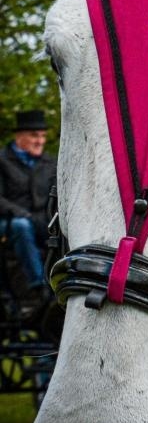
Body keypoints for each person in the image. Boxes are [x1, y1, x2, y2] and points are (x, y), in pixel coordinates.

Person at [0, 108, 56, 312]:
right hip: (10, 222)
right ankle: (37, 285)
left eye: (42, 136)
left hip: (41, 220)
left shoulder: (50, 163)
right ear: (19, 136)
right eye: (34, 135)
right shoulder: (3, 160)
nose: (40, 141)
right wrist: (20, 213)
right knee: (22, 226)